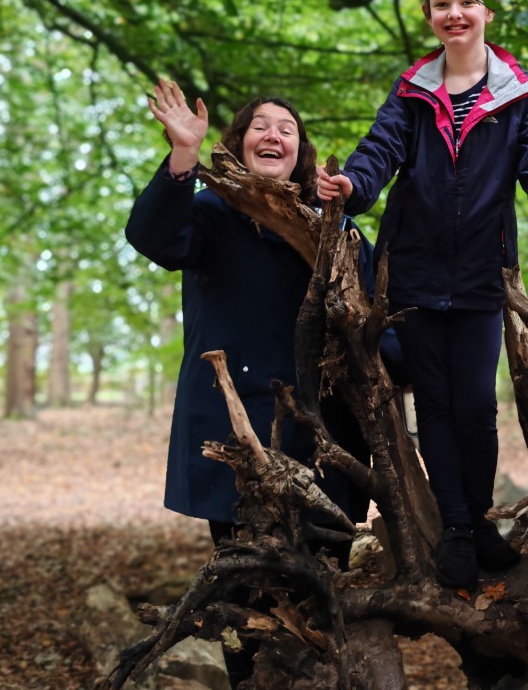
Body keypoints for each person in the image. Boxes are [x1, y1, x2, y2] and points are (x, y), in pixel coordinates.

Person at [316, 0, 528, 591]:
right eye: (440, 4)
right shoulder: (411, 92)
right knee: (434, 403)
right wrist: (352, 185)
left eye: (465, 2)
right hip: (414, 274)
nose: (453, 13)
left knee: (477, 405)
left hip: (483, 274)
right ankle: (457, 527)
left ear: (487, 11)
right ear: (430, 16)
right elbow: (379, 151)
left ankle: (479, 519)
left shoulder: (520, 94)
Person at [126, 79, 376, 687]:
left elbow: (372, 319)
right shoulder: (212, 213)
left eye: (287, 129)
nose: (275, 134)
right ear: (239, 143)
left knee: (321, 586)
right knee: (244, 594)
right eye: (262, 125)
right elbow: (153, 238)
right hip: (236, 433)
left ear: (301, 152)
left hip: (324, 435)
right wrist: (183, 153)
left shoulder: (334, 228)